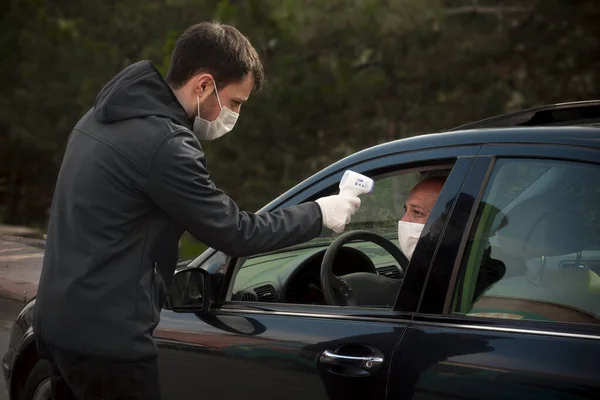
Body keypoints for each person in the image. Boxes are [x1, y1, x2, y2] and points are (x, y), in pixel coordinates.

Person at [32, 22, 361, 399]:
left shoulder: (98, 119)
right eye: (235, 102)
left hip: (56, 324)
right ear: (204, 85)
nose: (235, 114)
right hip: (108, 342)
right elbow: (236, 233)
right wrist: (320, 213)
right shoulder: (165, 144)